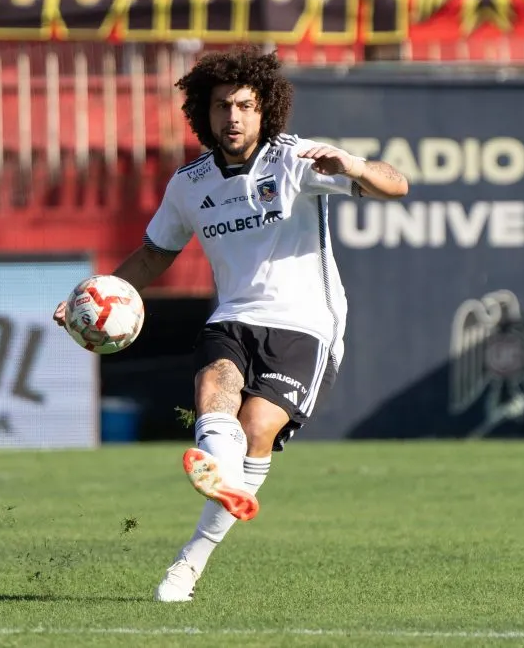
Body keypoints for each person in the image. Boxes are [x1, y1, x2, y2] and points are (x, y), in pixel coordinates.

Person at [53, 45, 408, 602]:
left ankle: (190, 561)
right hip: (233, 316)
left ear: (265, 109)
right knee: (215, 385)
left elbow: (396, 185)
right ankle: (221, 473)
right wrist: (89, 297)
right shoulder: (190, 184)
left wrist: (356, 167)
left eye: (244, 105)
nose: (234, 117)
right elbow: (152, 256)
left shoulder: (298, 159)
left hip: (306, 324)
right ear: (204, 112)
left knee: (258, 427)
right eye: (222, 106)